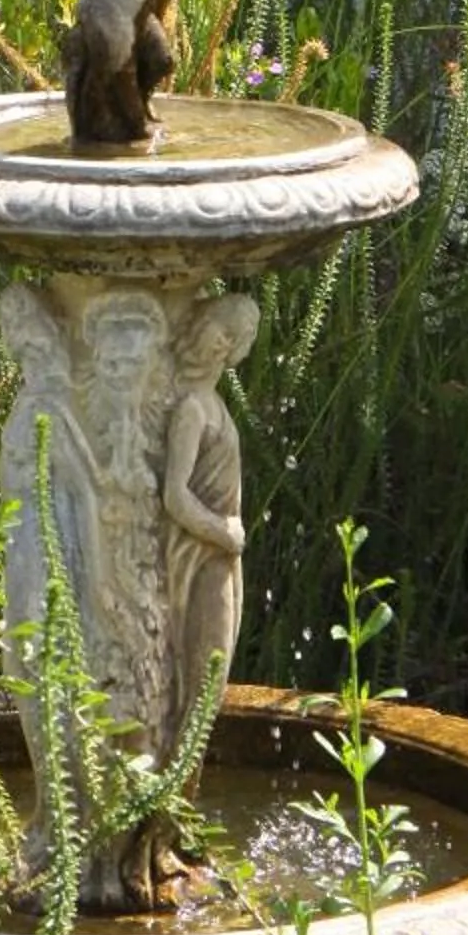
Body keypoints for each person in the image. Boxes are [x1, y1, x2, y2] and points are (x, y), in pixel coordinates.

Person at [160, 292, 261, 732]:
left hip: (221, 551)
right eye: (217, 328)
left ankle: (184, 791)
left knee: (211, 687)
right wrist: (221, 532)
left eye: (232, 336)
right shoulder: (192, 409)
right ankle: (178, 791)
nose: (221, 343)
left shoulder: (212, 404)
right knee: (203, 687)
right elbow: (174, 496)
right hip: (202, 553)